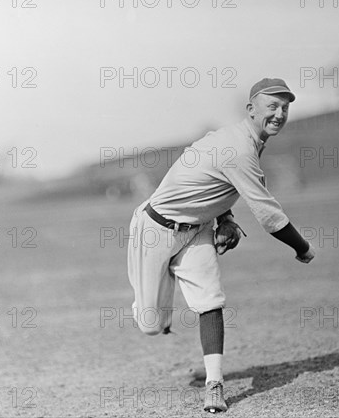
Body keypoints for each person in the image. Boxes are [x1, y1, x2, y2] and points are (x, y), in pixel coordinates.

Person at [127, 78, 315, 413]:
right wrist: (302, 248)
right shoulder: (237, 147)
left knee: (211, 299)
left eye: (285, 107)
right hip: (154, 229)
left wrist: (225, 219)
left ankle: (214, 384)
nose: (280, 113)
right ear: (251, 110)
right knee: (151, 325)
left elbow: (211, 183)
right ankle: (158, 292)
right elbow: (269, 216)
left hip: (197, 230)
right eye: (272, 106)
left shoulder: (243, 142)